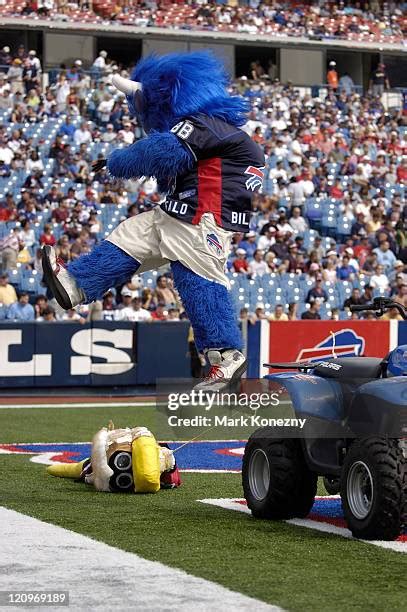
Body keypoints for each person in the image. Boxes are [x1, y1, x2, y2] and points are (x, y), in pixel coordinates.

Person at [42, 52, 265, 391]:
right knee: (129, 237)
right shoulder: (219, 131)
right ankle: (79, 284)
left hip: (200, 217)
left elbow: (162, 152)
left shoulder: (204, 125)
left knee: (197, 280)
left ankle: (226, 354)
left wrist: (118, 161)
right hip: (178, 211)